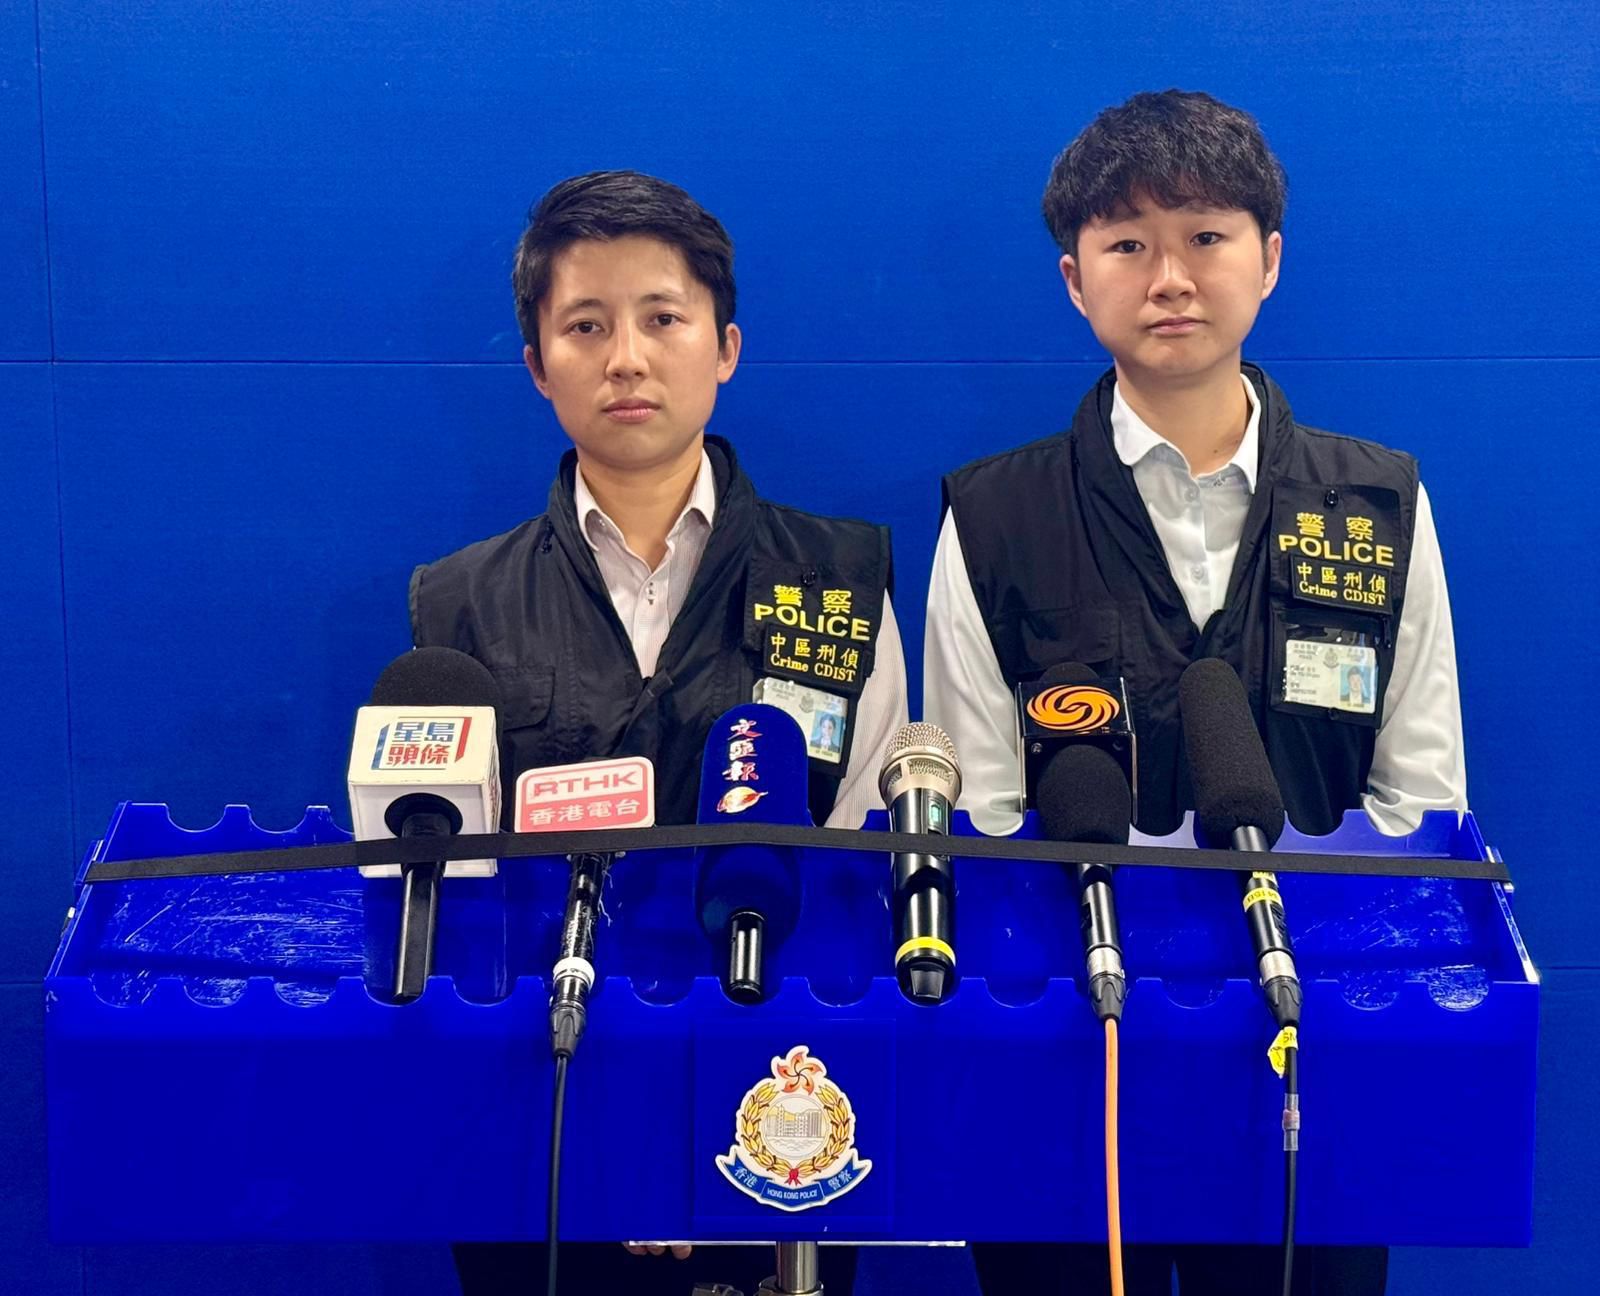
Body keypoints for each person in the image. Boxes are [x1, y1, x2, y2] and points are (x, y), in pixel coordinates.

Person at [924, 90, 1465, 1295]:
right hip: (1075, 1051)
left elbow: (1420, 799)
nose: (1169, 277)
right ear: (1076, 281)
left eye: (1205, 237)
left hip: (1307, 1049)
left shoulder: (1375, 505)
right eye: (1127, 245)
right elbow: (981, 818)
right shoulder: (994, 516)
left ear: (1266, 259)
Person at [413, 170, 904, 1296]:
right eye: (586, 326)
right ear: (538, 365)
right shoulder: (457, 604)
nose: (626, 359)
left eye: (662, 319)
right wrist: (617, 1137)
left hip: (779, 1118)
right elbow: (459, 909)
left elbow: (855, 870)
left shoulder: (839, 579)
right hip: (539, 1120)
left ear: (724, 348)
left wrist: (716, 1112)